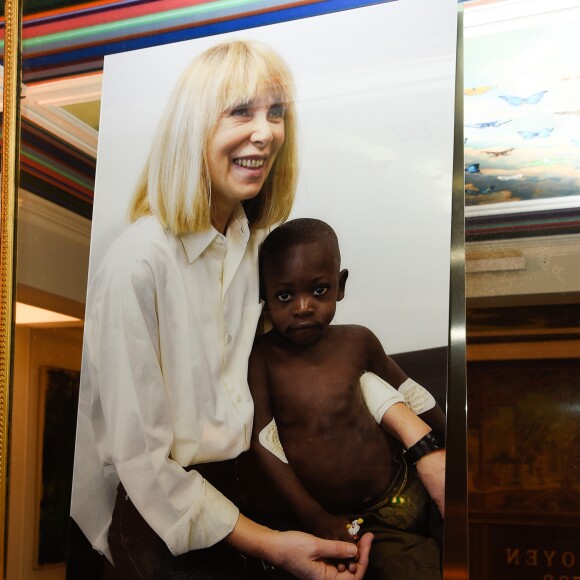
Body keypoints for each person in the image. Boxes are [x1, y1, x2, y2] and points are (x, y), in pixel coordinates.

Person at [70, 40, 373, 579]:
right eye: (241, 110)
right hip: (158, 514)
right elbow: (143, 465)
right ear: (193, 126)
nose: (267, 131)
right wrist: (276, 546)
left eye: (275, 111)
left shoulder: (252, 246)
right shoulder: (136, 264)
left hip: (239, 489)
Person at [249, 218, 446, 580]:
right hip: (358, 525)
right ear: (264, 294)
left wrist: (451, 447)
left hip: (411, 485)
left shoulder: (358, 341)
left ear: (340, 286)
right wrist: (316, 518)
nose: (303, 307)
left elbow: (410, 394)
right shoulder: (262, 359)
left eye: (319, 290)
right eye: (285, 295)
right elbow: (264, 444)